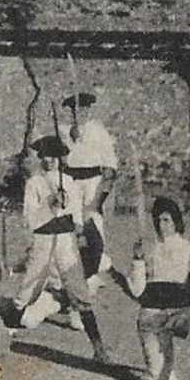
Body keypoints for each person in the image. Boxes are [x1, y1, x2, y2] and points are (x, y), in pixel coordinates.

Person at [0, 135, 112, 367]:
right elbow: (30, 220)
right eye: (45, 156)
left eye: (54, 156)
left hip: (65, 242)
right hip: (43, 241)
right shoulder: (35, 183)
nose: (49, 160)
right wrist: (50, 205)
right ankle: (1, 335)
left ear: (61, 158)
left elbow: (78, 220)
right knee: (26, 290)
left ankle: (99, 348)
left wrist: (69, 214)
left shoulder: (69, 182)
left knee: (80, 293)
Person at [124, 197, 190, 380]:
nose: (161, 225)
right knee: (159, 377)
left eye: (166, 220)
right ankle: (165, 369)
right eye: (157, 219)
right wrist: (137, 260)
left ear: (176, 221)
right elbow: (138, 291)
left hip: (179, 311)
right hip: (152, 315)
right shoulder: (150, 249)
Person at [63, 91, 120, 291]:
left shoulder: (98, 130)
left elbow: (110, 161)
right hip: (72, 181)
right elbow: (61, 158)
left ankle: (93, 272)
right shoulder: (65, 131)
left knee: (94, 222)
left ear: (88, 110)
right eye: (76, 109)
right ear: (71, 111)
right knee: (75, 224)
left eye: (84, 109)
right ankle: (79, 268)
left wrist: (103, 190)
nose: (80, 113)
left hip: (93, 181)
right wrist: (72, 137)